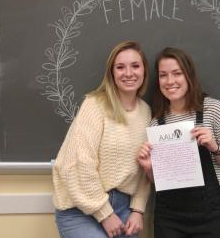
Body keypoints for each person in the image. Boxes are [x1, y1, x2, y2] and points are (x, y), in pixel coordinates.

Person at [137, 47, 220, 238]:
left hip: (212, 214)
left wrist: (214, 147)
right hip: (169, 216)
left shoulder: (214, 110)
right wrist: (149, 168)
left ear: (189, 75)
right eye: (163, 75)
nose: (170, 81)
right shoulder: (156, 122)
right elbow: (158, 181)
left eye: (177, 73)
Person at [52, 41, 151, 238]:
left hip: (124, 208)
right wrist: (104, 214)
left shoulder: (146, 112)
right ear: (112, 73)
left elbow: (145, 166)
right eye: (120, 67)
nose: (128, 73)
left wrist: (138, 209)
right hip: (81, 209)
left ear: (144, 71)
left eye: (135, 66)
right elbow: (79, 163)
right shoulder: (95, 105)